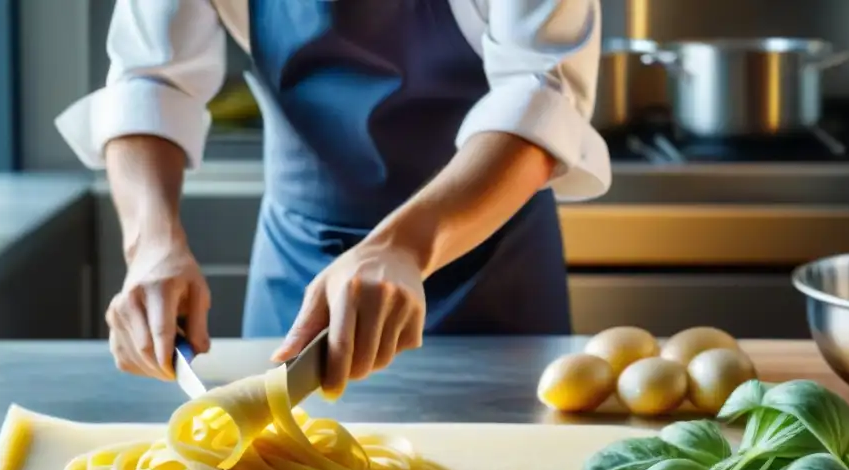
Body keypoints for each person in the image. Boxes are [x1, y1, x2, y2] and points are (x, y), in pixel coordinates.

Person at [56, 0, 610, 397]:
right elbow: (149, 82)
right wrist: (151, 245)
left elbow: (541, 94)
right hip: (294, 268)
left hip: (490, 266)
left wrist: (405, 245)